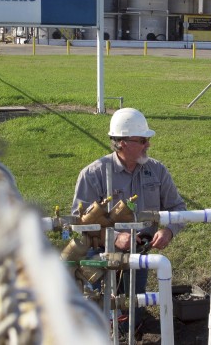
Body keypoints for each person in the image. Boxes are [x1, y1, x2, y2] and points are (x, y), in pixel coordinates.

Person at [71, 108, 186, 323]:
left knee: (132, 312)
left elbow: (178, 207)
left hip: (139, 251)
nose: (148, 145)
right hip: (98, 255)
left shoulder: (157, 171)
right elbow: (79, 222)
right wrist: (114, 238)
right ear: (122, 142)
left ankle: (127, 328)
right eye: (142, 140)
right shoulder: (93, 174)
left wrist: (168, 230)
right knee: (95, 309)